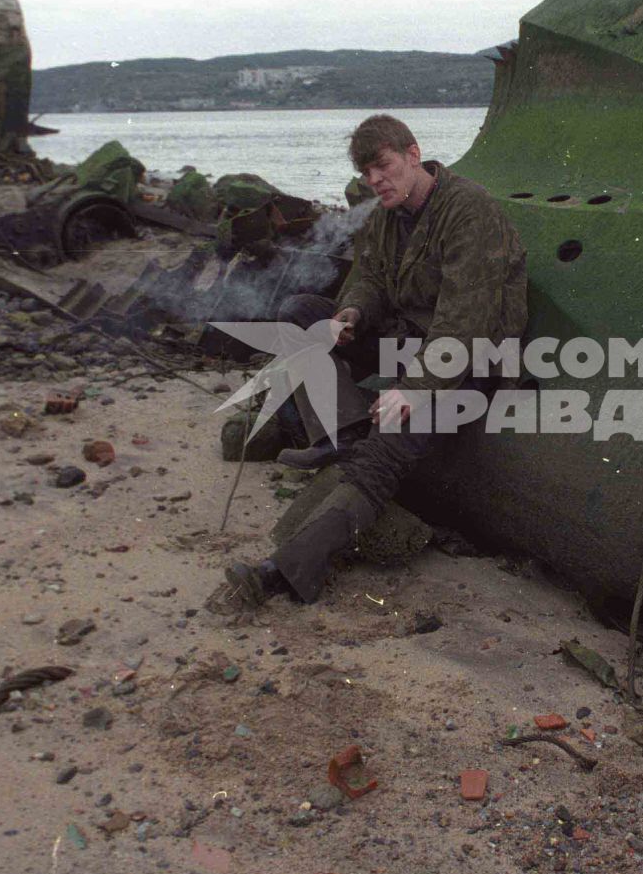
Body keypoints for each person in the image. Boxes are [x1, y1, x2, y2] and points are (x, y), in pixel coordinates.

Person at [224, 114, 527, 606]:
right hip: (410, 342)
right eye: (366, 174)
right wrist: (352, 312)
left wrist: (413, 389)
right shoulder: (388, 217)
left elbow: (463, 324)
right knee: (302, 314)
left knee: (389, 444)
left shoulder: (468, 210)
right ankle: (341, 437)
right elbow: (369, 279)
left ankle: (286, 570)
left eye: (383, 167)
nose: (375, 181)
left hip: (473, 360)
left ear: (413, 155)